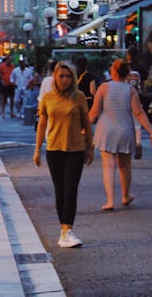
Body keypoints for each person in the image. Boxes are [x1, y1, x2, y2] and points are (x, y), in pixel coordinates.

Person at [34, 60, 93, 248]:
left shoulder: (79, 97)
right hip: (54, 149)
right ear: (55, 77)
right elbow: (42, 123)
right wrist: (37, 150)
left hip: (75, 149)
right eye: (61, 76)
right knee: (59, 191)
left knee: (70, 190)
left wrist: (89, 147)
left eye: (68, 76)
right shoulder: (48, 98)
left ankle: (69, 229)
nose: (65, 80)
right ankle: (63, 230)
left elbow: (86, 122)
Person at [88, 59, 152, 210]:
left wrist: (84, 128)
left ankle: (110, 201)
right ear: (127, 74)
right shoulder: (130, 90)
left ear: (112, 71)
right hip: (125, 130)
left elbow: (94, 112)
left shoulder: (104, 88)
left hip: (106, 131)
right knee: (125, 165)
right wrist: (151, 131)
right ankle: (125, 195)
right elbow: (138, 112)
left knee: (108, 166)